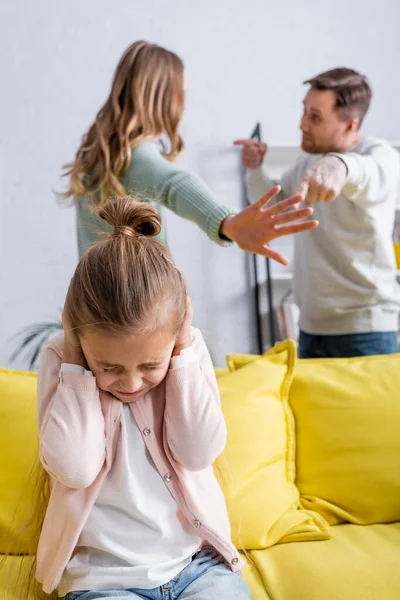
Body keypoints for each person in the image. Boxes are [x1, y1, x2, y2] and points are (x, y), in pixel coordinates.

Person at [34, 196, 251, 600]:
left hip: (196, 566)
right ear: (79, 339)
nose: (131, 384)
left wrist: (182, 352)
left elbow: (197, 453)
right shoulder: (59, 357)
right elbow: (75, 469)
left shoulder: (185, 349)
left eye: (150, 366)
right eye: (110, 367)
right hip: (102, 580)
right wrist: (75, 361)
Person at [61, 40, 317, 266]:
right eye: (181, 93)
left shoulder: (100, 156)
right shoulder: (135, 156)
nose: (184, 103)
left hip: (96, 307)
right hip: (137, 314)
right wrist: (226, 222)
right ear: (164, 99)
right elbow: (174, 184)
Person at [235, 67, 400, 358]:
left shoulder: (380, 156)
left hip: (366, 333)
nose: (302, 125)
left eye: (315, 117)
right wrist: (254, 169)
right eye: (304, 112)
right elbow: (274, 206)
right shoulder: (307, 159)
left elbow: (368, 173)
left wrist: (339, 165)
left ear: (350, 126)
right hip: (311, 329)